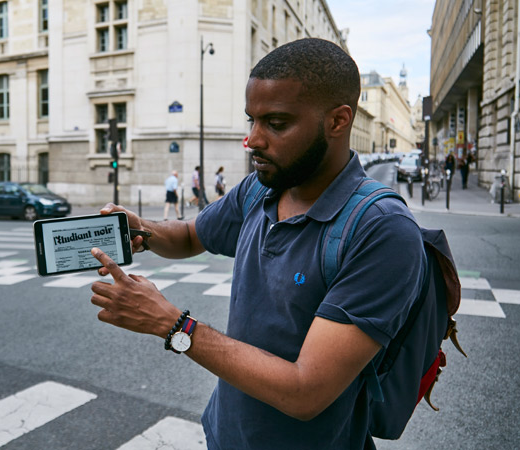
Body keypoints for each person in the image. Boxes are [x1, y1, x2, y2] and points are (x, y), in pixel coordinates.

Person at [89, 38, 425, 449]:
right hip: (226, 436)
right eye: (251, 120)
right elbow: (194, 235)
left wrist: (174, 325)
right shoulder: (260, 190)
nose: (253, 140)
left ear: (338, 121)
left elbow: (306, 391)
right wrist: (145, 230)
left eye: (276, 124)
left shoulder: (382, 230)